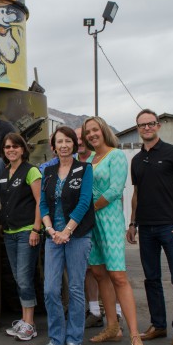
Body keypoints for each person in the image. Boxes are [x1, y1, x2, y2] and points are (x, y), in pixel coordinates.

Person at [127, 109, 173, 345]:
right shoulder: (135, 160)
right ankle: (158, 325)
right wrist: (132, 223)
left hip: (171, 226)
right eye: (142, 125)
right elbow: (136, 194)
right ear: (138, 129)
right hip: (146, 227)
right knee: (151, 279)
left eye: (150, 124)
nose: (147, 128)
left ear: (158, 126)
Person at [82, 116, 148, 345]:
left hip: (108, 220)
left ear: (103, 130)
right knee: (99, 274)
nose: (91, 134)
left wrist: (89, 209)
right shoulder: (89, 159)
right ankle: (112, 327)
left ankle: (134, 335)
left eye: (94, 129)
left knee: (118, 276)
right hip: (92, 224)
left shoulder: (116, 155)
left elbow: (114, 189)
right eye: (87, 132)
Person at [38, 127, 94, 345]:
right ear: (54, 145)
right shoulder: (48, 171)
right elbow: (42, 203)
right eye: (59, 141)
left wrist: (67, 231)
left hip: (77, 236)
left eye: (67, 141)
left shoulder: (84, 169)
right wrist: (51, 229)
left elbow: (84, 202)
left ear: (74, 144)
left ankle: (74, 339)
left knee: (75, 288)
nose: (63, 145)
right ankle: (57, 338)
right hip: (53, 237)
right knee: (51, 289)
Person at [0, 133, 42, 341]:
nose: (11, 150)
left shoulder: (31, 171)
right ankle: (24, 321)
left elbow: (40, 201)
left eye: (15, 146)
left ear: (22, 149)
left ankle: (30, 324)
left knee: (25, 278)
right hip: (9, 233)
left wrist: (36, 229)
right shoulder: (4, 172)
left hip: (26, 232)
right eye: (7, 147)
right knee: (18, 278)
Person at [75, 128, 105, 329]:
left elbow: (114, 189)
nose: (79, 142)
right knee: (88, 268)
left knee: (110, 268)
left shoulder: (99, 158)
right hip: (82, 221)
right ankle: (94, 311)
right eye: (76, 138)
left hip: (103, 217)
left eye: (82, 138)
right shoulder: (73, 162)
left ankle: (116, 314)